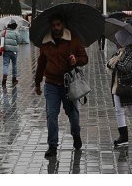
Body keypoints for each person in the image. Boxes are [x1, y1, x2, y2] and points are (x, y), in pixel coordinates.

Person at [34, 14, 88, 158]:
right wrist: (37, 82)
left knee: (73, 115)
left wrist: (75, 60)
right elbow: (41, 64)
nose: (56, 28)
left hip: (68, 84)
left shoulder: (73, 40)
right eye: (53, 25)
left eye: (58, 24)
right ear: (50, 26)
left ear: (63, 25)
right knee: (51, 116)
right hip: (51, 84)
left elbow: (85, 58)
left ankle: (76, 135)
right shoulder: (46, 43)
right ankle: (52, 146)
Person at [107, 29, 132, 147]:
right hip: (117, 85)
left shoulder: (131, 51)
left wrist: (114, 63)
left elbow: (126, 67)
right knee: (119, 110)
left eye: (118, 39)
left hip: (128, 85)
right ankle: (123, 137)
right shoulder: (118, 52)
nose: (116, 42)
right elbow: (109, 64)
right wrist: (112, 62)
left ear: (123, 40)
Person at [0, 20, 22, 87]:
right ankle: (14, 79)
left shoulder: (4, 32)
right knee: (14, 65)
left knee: (5, 64)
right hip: (14, 52)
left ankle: (4, 77)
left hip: (6, 51)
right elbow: (19, 41)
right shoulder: (16, 33)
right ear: (15, 26)